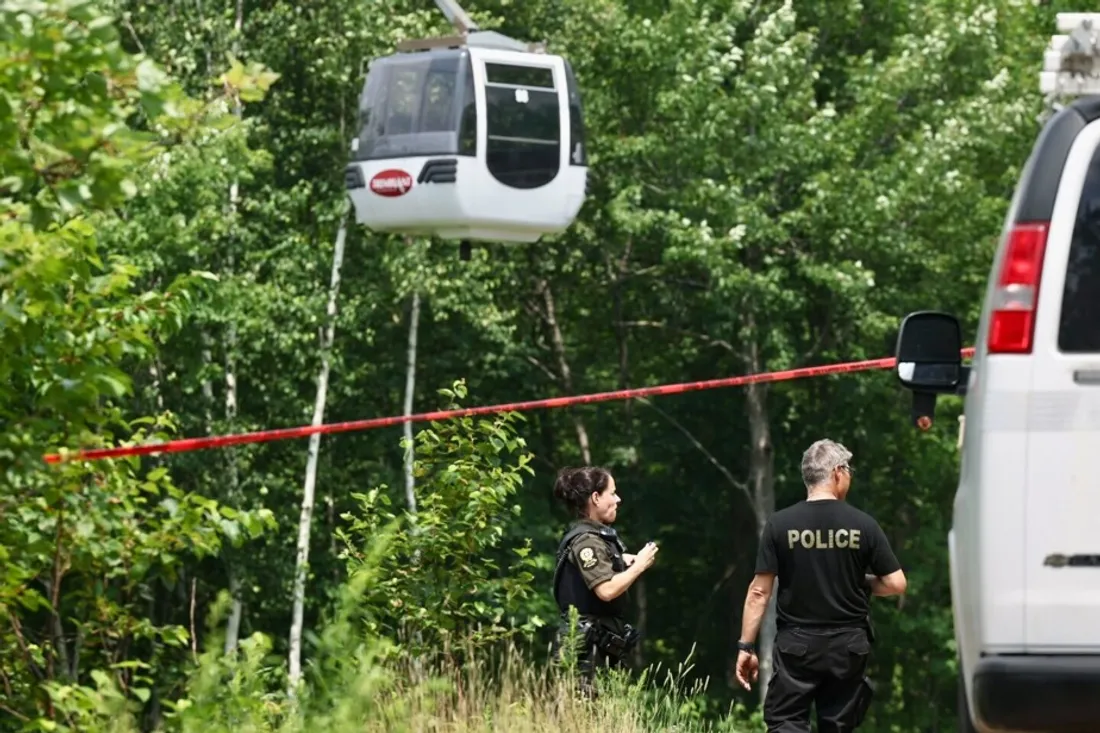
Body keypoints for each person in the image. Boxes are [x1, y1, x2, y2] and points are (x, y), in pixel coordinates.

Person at [734, 439, 907, 732]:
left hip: (797, 647)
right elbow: (896, 583)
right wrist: (861, 582)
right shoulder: (863, 524)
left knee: (786, 722)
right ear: (838, 472)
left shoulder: (779, 524)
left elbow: (759, 592)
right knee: (838, 726)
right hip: (848, 648)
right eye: (848, 470)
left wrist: (745, 646)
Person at [550, 466, 658, 692]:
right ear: (596, 498)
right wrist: (638, 567)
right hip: (586, 653)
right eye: (613, 493)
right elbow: (606, 590)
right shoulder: (586, 541)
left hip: (597, 650)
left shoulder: (595, 538)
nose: (618, 499)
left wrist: (622, 561)